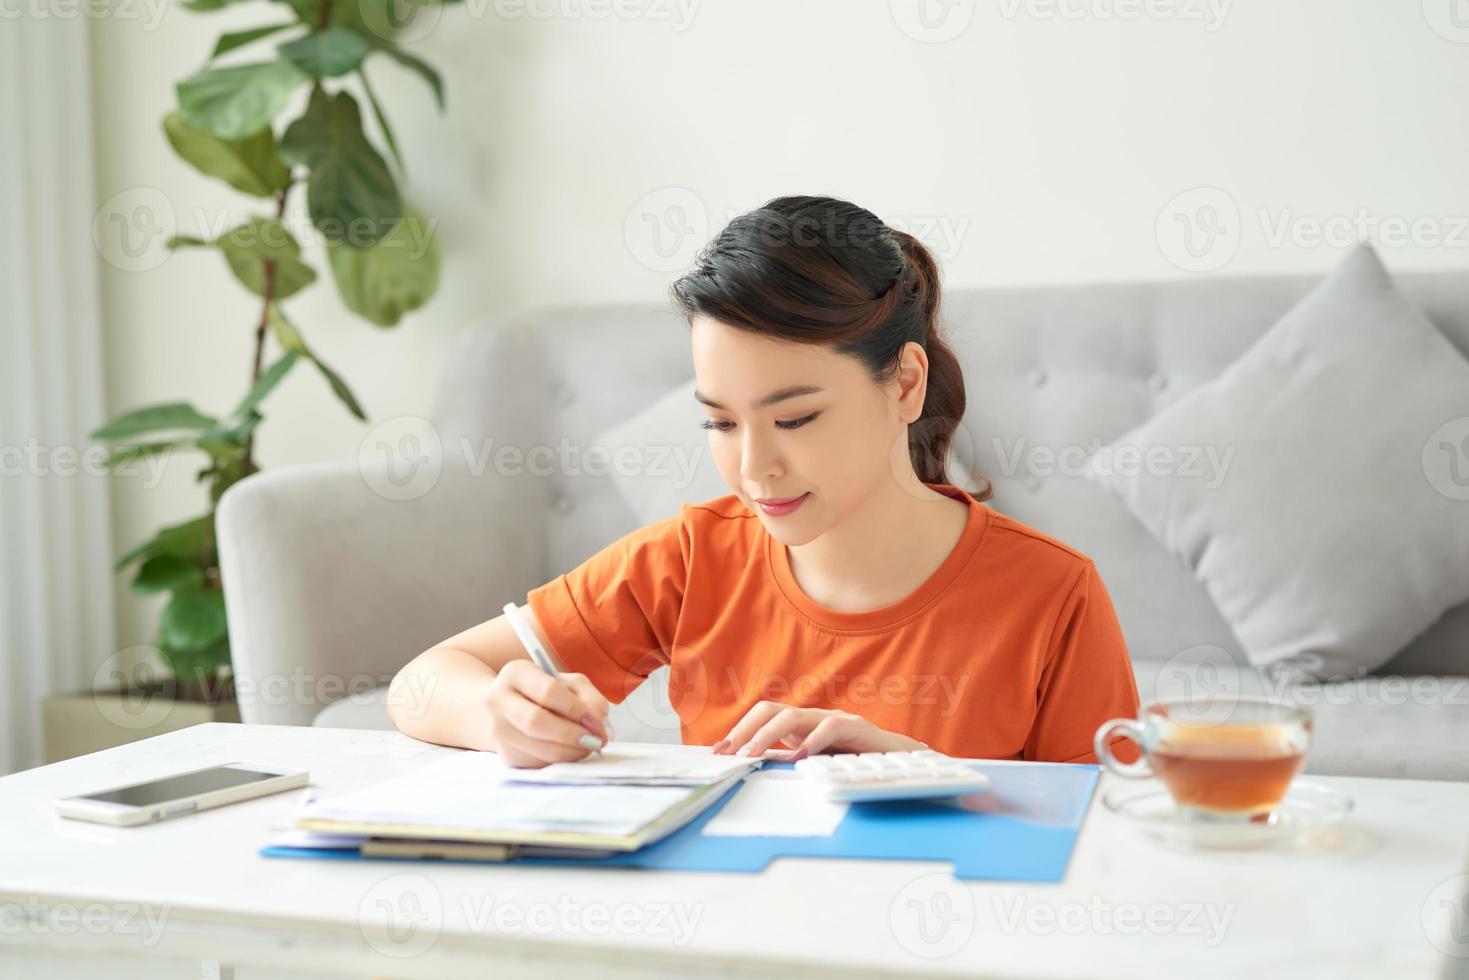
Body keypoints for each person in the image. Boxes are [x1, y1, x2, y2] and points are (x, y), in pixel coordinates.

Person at [387, 195, 1140, 769]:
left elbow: (1111, 839)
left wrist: (914, 775)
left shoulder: (1051, 596)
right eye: (720, 423)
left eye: (796, 418)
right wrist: (501, 715)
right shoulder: (687, 561)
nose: (753, 469)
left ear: (905, 384)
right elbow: (420, 684)